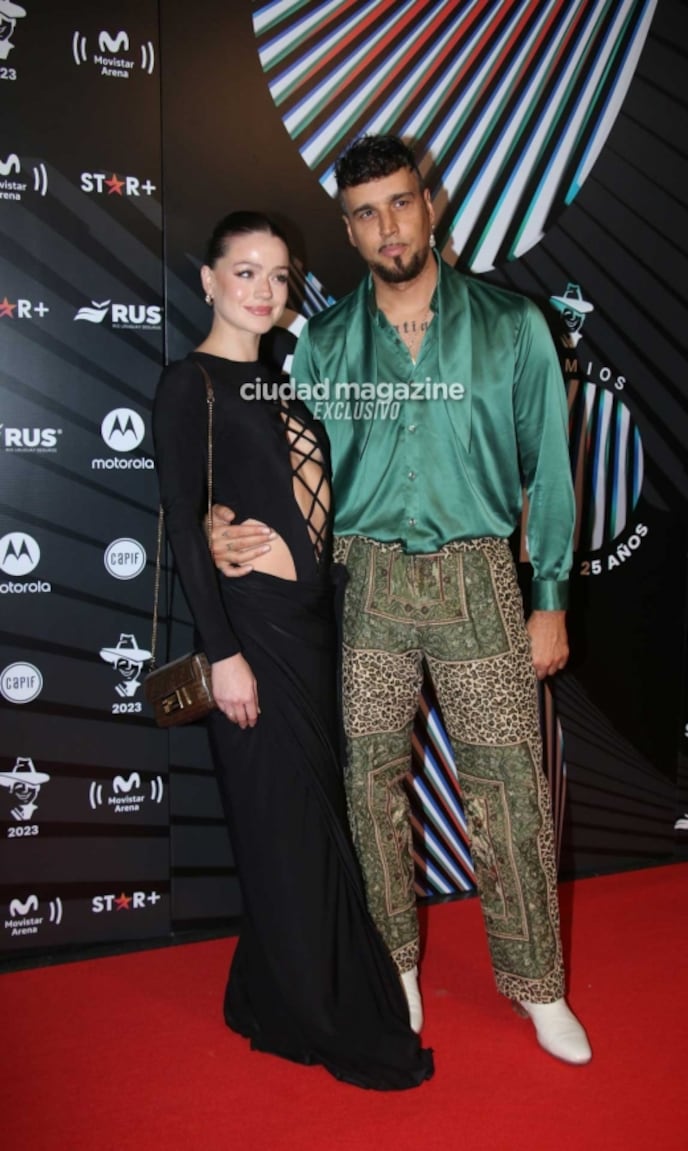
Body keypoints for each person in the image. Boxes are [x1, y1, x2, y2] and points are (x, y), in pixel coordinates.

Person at [209, 138, 592, 1066]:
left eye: (399, 202)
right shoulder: (326, 345)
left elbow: (549, 469)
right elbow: (286, 472)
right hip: (363, 581)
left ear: (431, 204)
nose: (387, 226)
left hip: (479, 581)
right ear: (348, 229)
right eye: (366, 212)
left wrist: (549, 598)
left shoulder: (512, 327)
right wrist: (225, 525)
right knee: (368, 790)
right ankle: (396, 970)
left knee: (509, 795)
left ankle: (539, 987)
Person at [152, 210, 433, 1090]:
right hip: (253, 638)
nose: (265, 290)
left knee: (312, 824)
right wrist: (221, 650)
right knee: (285, 826)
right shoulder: (185, 385)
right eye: (245, 272)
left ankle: (266, 988)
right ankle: (314, 1008)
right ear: (208, 280)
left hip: (315, 634)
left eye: (279, 276)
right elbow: (185, 534)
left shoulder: (283, 383)